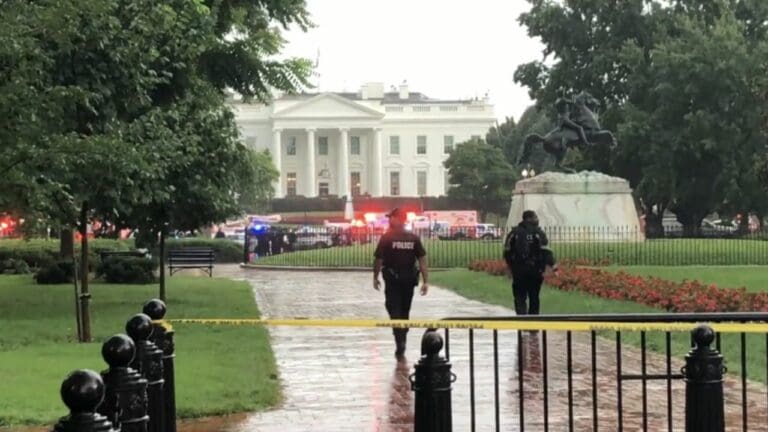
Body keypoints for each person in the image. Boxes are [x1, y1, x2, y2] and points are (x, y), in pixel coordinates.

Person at [373, 208, 429, 360]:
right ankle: (402, 335)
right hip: (409, 279)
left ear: (398, 218)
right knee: (405, 310)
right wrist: (426, 281)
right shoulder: (413, 238)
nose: (389, 220)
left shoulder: (387, 237)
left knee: (393, 308)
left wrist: (375, 276)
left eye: (391, 217)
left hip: (393, 280)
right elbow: (422, 260)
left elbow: (378, 259)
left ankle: (399, 338)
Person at [503, 210, 549, 315]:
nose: (537, 219)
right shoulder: (538, 233)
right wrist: (544, 266)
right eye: (535, 217)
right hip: (535, 270)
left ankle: (522, 319)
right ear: (529, 218)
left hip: (518, 270)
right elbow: (545, 250)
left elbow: (507, 251)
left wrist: (510, 266)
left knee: (519, 297)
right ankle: (533, 322)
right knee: (534, 297)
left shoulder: (514, 233)